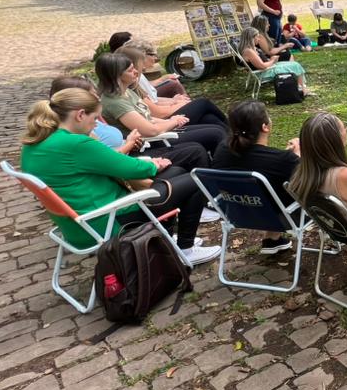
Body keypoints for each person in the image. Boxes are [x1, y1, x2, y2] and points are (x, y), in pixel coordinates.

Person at [19, 87, 220, 266]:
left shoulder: (34, 144)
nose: (95, 125)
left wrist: (147, 165)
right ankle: (186, 249)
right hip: (109, 220)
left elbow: (108, 165)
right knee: (194, 180)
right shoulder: (76, 144)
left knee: (176, 173)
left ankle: (166, 239)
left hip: (76, 226)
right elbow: (130, 169)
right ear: (80, 115)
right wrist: (153, 164)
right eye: (94, 119)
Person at [210, 100, 304, 254]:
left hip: (238, 214)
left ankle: (272, 239)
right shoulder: (283, 160)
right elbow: (308, 178)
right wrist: (299, 155)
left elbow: (260, 163)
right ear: (265, 127)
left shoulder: (222, 150)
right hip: (281, 217)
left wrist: (286, 156)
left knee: (269, 189)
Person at [95, 52, 226, 154]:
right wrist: (173, 121)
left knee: (212, 121)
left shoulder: (126, 91)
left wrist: (171, 119)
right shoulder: (115, 102)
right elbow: (150, 130)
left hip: (162, 130)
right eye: (130, 70)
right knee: (215, 131)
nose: (136, 72)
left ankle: (232, 151)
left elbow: (148, 117)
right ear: (116, 76)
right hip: (153, 142)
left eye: (134, 67)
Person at [118, 41, 229, 127]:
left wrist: (175, 101)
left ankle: (232, 135)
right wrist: (179, 104)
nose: (141, 69)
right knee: (203, 103)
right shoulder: (131, 87)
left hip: (165, 120)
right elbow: (157, 113)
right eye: (140, 63)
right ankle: (232, 128)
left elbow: (153, 101)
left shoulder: (134, 83)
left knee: (210, 119)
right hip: (165, 122)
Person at [236, 26, 311, 96]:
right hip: (265, 72)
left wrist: (271, 60)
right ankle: (301, 89)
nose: (259, 39)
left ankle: (301, 87)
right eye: (257, 37)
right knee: (296, 66)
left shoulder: (250, 49)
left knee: (294, 64)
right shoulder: (249, 51)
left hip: (269, 68)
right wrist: (273, 60)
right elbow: (262, 66)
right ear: (251, 38)